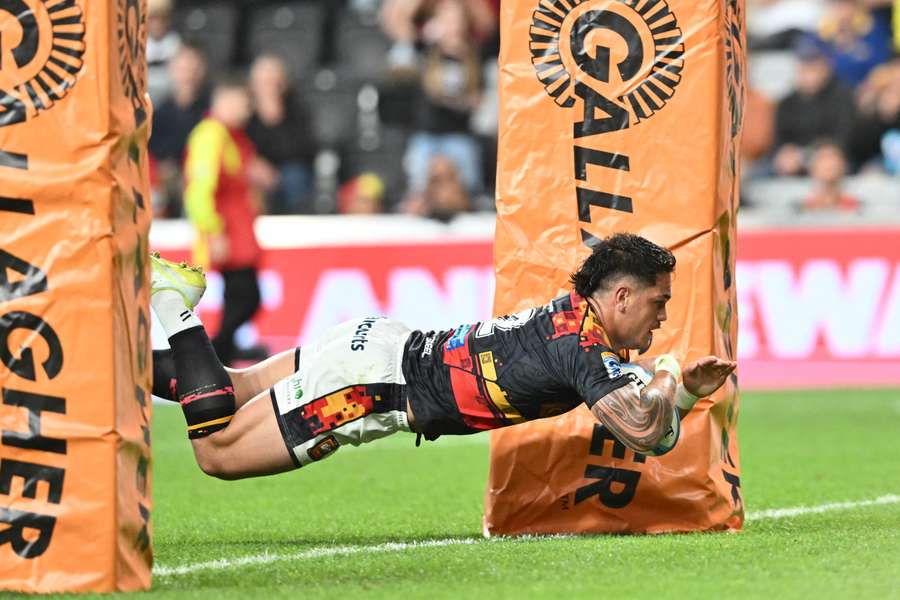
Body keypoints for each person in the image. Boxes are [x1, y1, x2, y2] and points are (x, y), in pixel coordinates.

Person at [149, 233, 736, 479]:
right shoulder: (581, 346)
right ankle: (172, 301)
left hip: (380, 345)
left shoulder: (576, 322)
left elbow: (631, 397)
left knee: (230, 388)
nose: (662, 316)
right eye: (658, 302)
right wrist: (670, 376)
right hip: (368, 387)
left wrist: (679, 387)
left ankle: (116, 363)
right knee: (217, 452)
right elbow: (643, 430)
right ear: (622, 296)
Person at [182, 75, 266, 366]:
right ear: (226, 101)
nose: (248, 110)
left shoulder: (231, 136)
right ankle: (216, 352)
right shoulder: (210, 136)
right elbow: (199, 190)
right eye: (244, 103)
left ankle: (224, 355)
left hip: (238, 231)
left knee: (238, 298)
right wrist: (213, 230)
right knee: (247, 298)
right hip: (228, 232)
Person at [245, 55, 317, 215]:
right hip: (253, 170)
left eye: (273, 81)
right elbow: (236, 145)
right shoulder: (244, 113)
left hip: (288, 173)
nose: (269, 87)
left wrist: (275, 115)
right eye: (263, 82)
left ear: (283, 84)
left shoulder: (297, 111)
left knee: (295, 177)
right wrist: (253, 164)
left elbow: (302, 151)